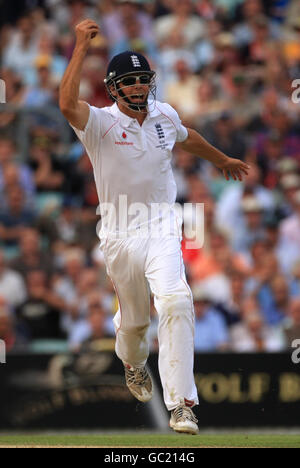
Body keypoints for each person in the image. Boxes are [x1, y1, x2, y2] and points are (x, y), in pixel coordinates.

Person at [59, 19, 249, 435]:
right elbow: (66, 104)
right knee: (134, 327)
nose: (140, 88)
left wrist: (220, 159)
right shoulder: (99, 123)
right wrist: (79, 48)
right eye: (130, 82)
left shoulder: (164, 114)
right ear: (114, 87)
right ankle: (132, 361)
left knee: (178, 301)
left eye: (144, 80)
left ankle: (181, 404)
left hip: (162, 226)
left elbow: (187, 136)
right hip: (119, 235)